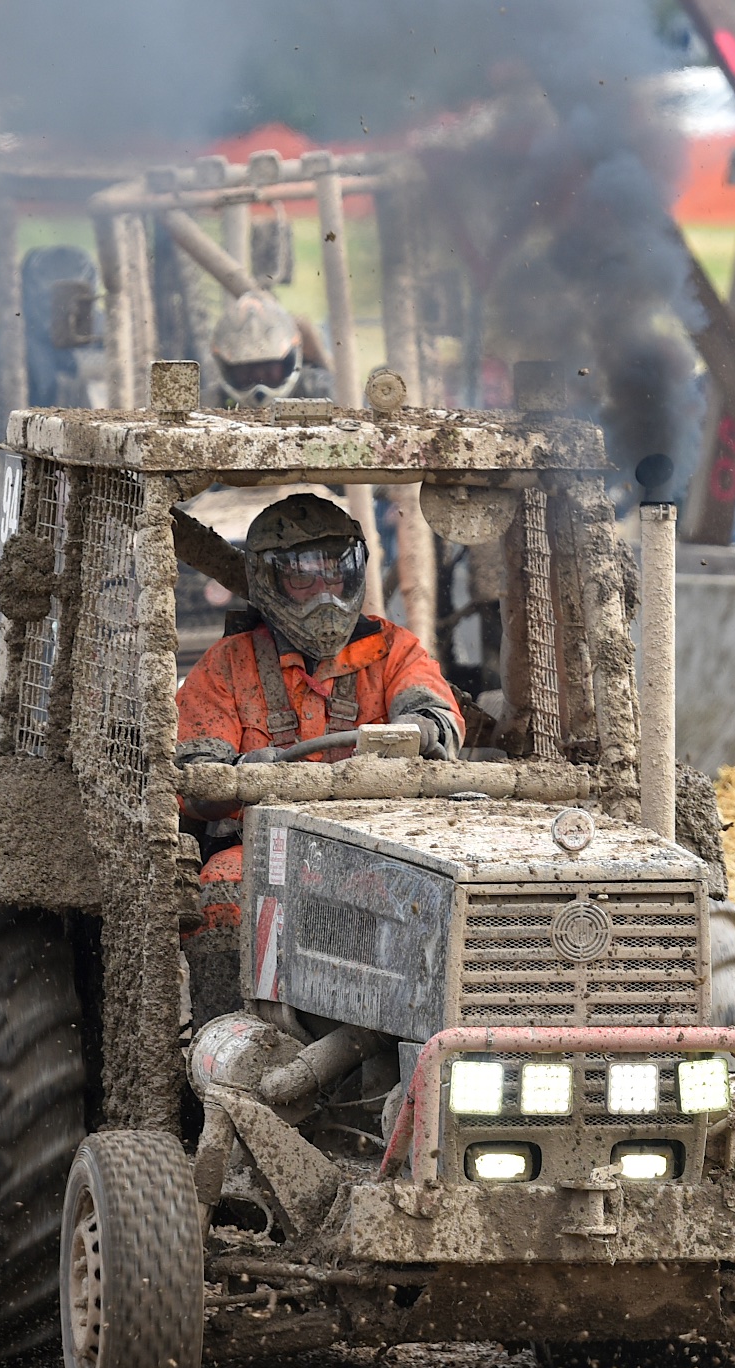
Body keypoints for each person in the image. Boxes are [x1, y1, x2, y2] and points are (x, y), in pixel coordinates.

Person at [174, 494, 462, 1003]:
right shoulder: (228, 664)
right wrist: (244, 775)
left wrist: (422, 729)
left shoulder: (393, 650)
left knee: (439, 894)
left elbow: (437, 716)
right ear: (267, 580)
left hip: (383, 846)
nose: (324, 593)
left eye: (336, 573)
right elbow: (194, 777)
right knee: (223, 886)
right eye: (302, 577)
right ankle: (224, 1032)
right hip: (266, 849)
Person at [206, 290, 334, 409]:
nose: (259, 389)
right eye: (246, 374)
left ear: (288, 362)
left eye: (269, 373)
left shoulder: (320, 392)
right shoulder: (209, 405)